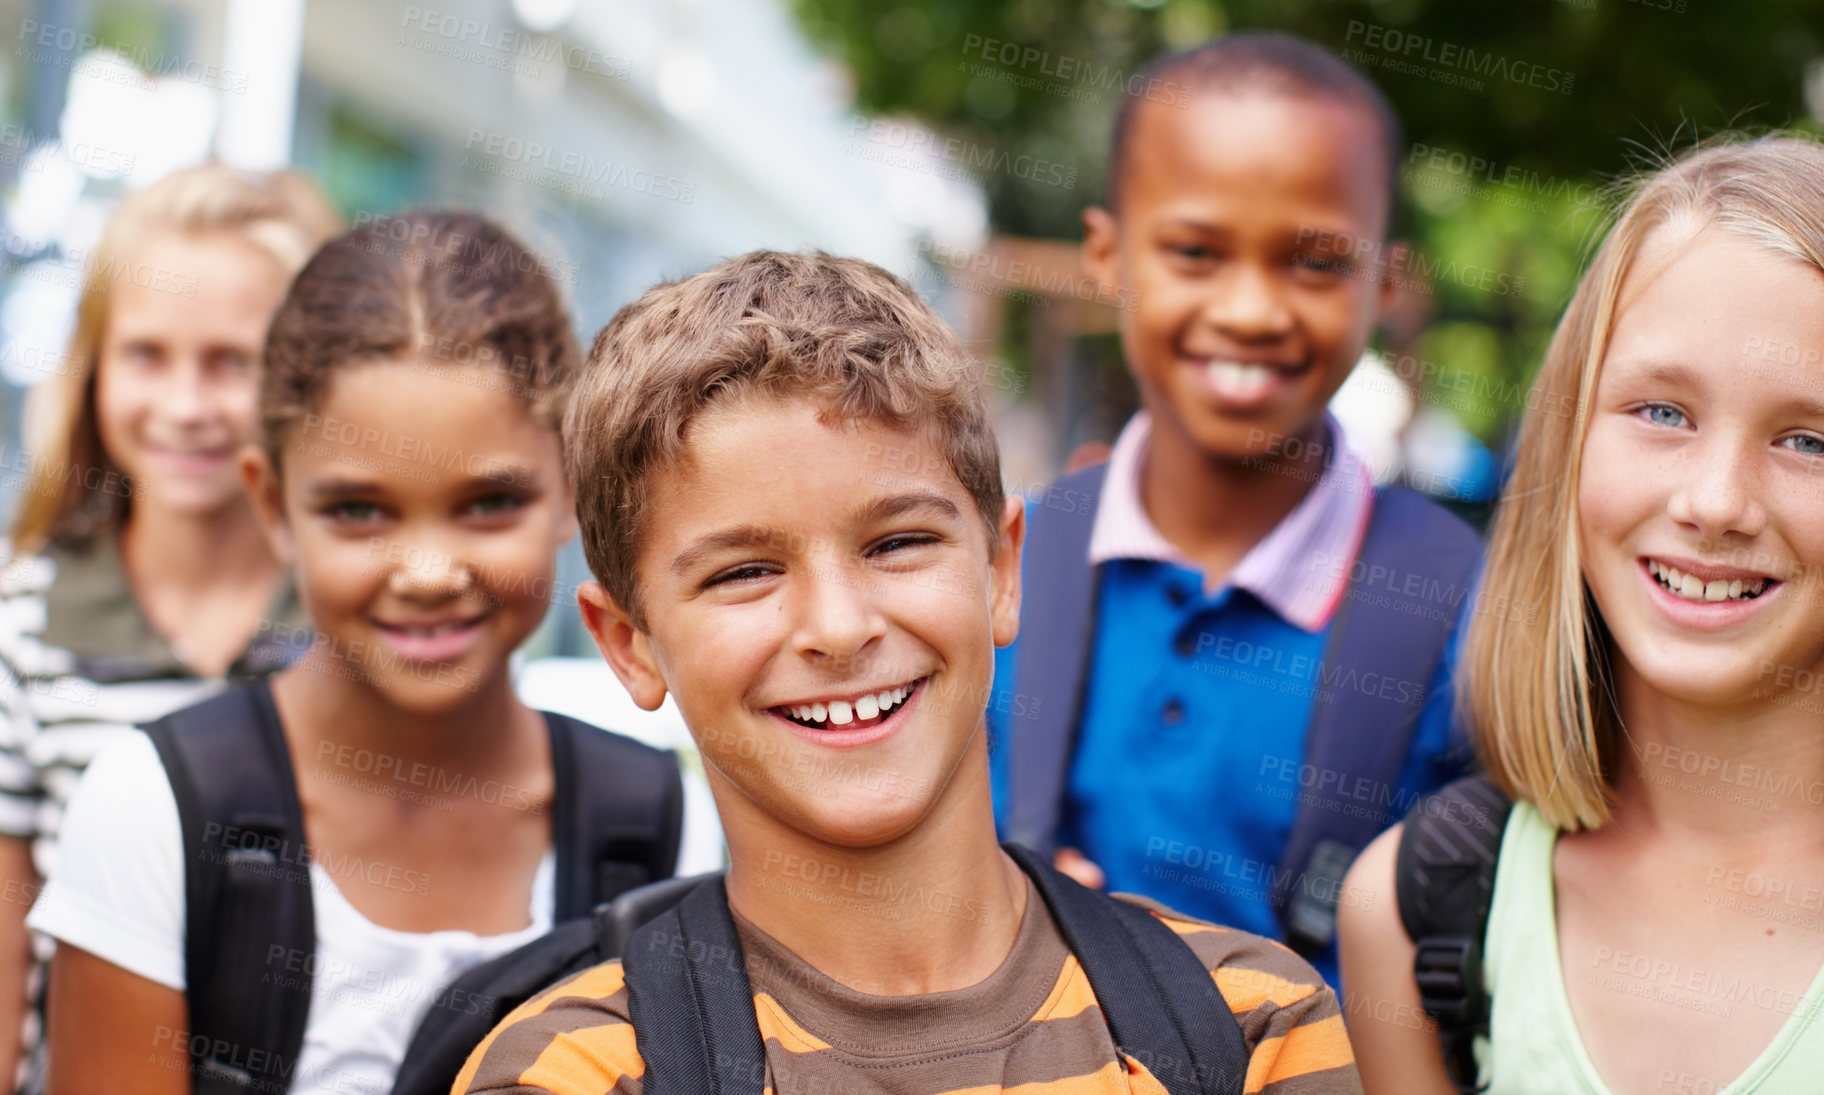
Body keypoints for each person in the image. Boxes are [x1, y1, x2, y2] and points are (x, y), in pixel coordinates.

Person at [454, 250, 1360, 1094]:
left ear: (1004, 573)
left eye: (898, 542)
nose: (839, 627)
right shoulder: (571, 1071)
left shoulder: (1254, 1024)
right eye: (744, 572)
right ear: (629, 643)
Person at [26, 211, 689, 1094]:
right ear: (271, 504)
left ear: (572, 488)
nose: (425, 571)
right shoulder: (153, 810)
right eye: (358, 511)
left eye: (490, 502)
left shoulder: (666, 827)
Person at [988, 31, 1481, 987]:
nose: (1252, 309)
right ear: (1105, 253)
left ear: (1387, 281)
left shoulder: (1468, 618)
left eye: (1316, 263)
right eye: (1195, 251)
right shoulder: (1001, 566)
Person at [1339, 136, 1824, 1094]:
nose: (1717, 501)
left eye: (1809, 437)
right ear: (1567, 439)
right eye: (1662, 412)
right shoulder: (1417, 914)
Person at [0, 164, 339, 1089]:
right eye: (147, 354)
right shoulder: (20, 624)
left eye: (231, 361)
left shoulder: (360, 619)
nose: (186, 405)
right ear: (94, 364)